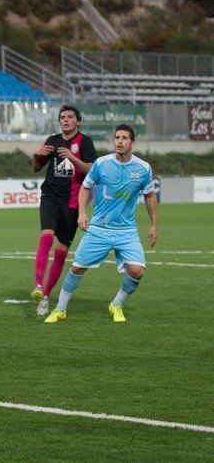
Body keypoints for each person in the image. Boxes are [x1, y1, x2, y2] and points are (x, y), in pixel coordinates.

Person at [44, 124, 158, 324]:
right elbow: (85, 187)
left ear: (132, 142)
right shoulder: (101, 164)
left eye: (124, 138)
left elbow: (149, 195)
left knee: (137, 271)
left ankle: (116, 304)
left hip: (126, 230)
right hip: (99, 229)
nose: (119, 141)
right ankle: (60, 309)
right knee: (77, 268)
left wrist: (154, 225)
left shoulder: (143, 168)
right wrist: (81, 212)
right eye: (117, 137)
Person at [31, 105, 96, 317]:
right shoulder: (52, 140)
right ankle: (38, 286)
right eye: (62, 117)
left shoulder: (85, 142)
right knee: (46, 237)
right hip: (50, 197)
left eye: (70, 117)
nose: (65, 120)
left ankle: (47, 296)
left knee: (60, 253)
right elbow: (36, 167)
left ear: (78, 121)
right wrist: (36, 154)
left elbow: (90, 169)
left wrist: (71, 157)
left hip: (72, 204)